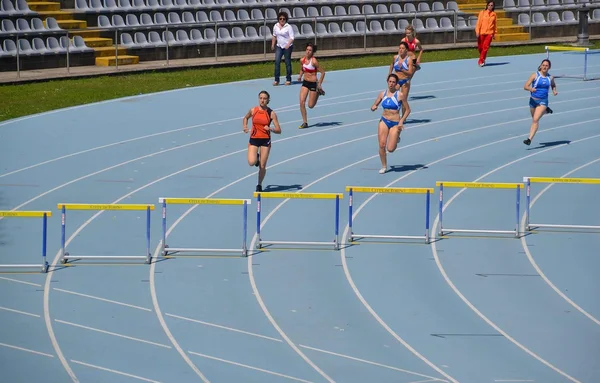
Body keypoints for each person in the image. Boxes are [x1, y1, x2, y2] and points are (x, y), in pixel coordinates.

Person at [370, 74, 411, 174]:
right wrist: (373, 107)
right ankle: (384, 166)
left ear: (396, 83)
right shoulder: (382, 94)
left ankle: (396, 138)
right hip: (384, 120)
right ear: (387, 82)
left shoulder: (399, 95)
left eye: (393, 82)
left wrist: (401, 121)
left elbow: (408, 110)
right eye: (390, 81)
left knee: (390, 149)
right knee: (381, 144)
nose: (391, 83)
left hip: (395, 123)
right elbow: (374, 104)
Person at [243, 90, 282, 191]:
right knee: (251, 162)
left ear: (268, 100)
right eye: (260, 98)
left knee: (262, 165)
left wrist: (271, 129)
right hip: (254, 139)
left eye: (264, 98)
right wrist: (245, 126)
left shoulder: (271, 113)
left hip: (265, 140)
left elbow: (279, 130)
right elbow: (246, 118)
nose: (262, 100)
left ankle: (259, 184)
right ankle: (256, 157)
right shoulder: (253, 110)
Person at [523, 59, 557, 146]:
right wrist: (531, 89)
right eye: (543, 65)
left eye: (547, 65)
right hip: (533, 101)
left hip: (543, 101)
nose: (545, 67)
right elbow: (525, 86)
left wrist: (554, 91)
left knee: (535, 120)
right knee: (533, 117)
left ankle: (529, 139)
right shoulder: (535, 75)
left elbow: (553, 84)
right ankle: (546, 111)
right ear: (541, 66)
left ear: (549, 67)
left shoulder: (550, 78)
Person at [297, 42, 325, 129]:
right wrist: (300, 76)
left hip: (313, 83)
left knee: (310, 106)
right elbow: (302, 68)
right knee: (301, 102)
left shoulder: (314, 61)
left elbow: (323, 72)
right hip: (305, 83)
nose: (308, 52)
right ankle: (305, 122)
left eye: (310, 50)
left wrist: (319, 84)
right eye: (307, 50)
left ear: (312, 52)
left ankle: (318, 92)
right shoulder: (302, 60)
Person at [388, 41, 414, 114]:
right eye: (400, 48)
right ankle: (395, 116)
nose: (401, 50)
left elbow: (410, 73)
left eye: (403, 48)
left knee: (403, 100)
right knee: (394, 99)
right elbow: (392, 65)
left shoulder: (409, 60)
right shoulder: (395, 57)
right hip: (396, 81)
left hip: (405, 81)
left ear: (406, 50)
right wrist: (390, 74)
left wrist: (402, 69)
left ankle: (403, 117)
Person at [271, 11, 294, 86]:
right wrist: (273, 45)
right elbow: (274, 36)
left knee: (287, 63)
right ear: (278, 19)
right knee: (277, 62)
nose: (282, 20)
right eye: (280, 18)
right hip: (279, 46)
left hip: (287, 47)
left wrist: (288, 44)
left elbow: (292, 37)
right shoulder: (276, 26)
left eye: (283, 19)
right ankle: (276, 80)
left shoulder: (288, 27)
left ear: (286, 19)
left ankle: (288, 79)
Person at [475, 0, 497, 67]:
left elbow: (495, 25)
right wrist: (477, 31)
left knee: (485, 47)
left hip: (489, 33)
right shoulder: (482, 13)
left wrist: (494, 33)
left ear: (493, 6)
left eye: (491, 5)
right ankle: (483, 58)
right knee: (480, 48)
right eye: (489, 5)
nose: (490, 7)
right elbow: (478, 23)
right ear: (487, 6)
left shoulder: (494, 14)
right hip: (481, 32)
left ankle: (480, 61)